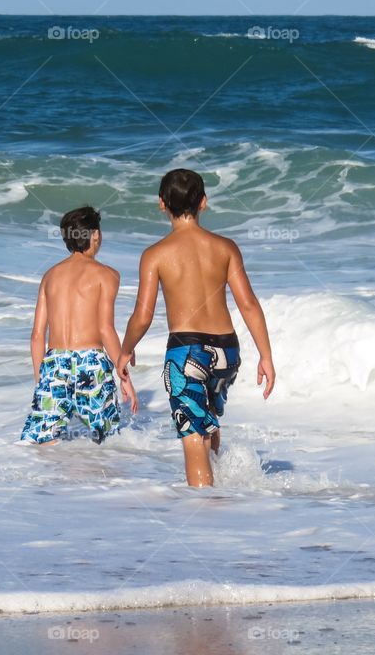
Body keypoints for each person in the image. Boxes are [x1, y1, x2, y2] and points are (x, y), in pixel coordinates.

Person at [117, 169, 275, 486]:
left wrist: (125, 350)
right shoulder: (226, 247)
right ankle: (219, 484)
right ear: (203, 203)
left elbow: (142, 316)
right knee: (209, 420)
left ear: (161, 204)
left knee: (192, 434)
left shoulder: (155, 255)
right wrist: (265, 356)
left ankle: (205, 513)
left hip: (186, 351)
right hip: (227, 352)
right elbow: (248, 305)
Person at [20, 206, 137, 445]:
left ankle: (36, 482)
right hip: (91, 363)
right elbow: (105, 329)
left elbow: (36, 335)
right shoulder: (107, 275)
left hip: (54, 364)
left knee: (38, 442)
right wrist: (124, 377)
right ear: (95, 235)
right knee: (107, 442)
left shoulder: (50, 276)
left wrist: (42, 380)